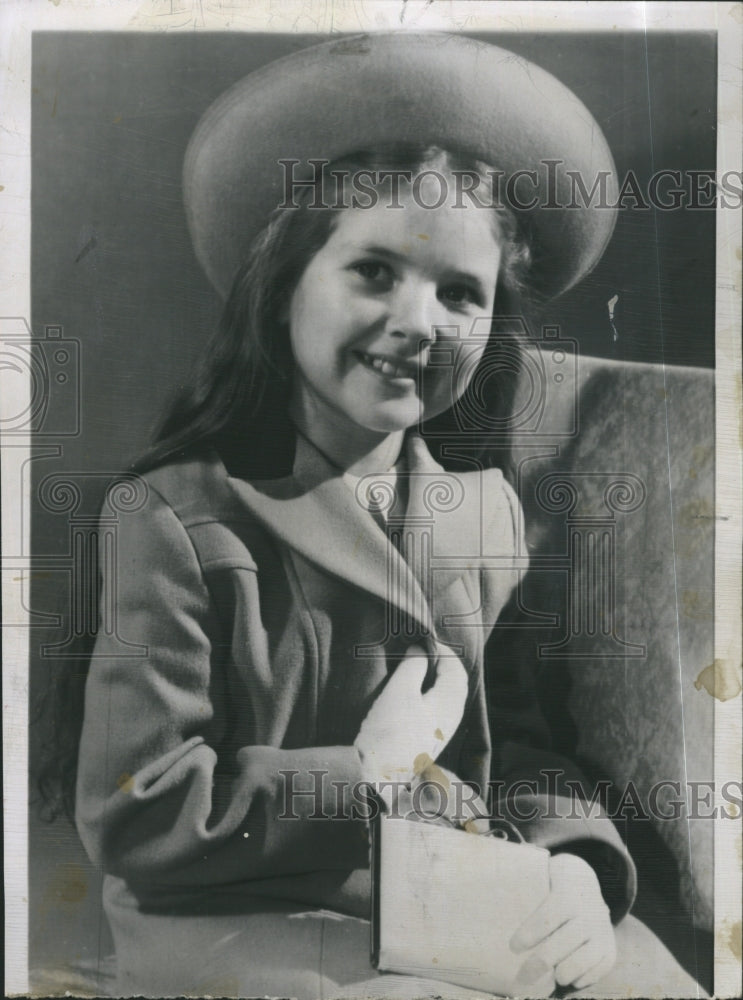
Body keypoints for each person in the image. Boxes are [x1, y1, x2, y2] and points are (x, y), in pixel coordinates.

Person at [68, 33, 703, 999]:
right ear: (284, 285)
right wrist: (364, 774)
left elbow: (514, 744)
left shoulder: (484, 513)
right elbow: (136, 812)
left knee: (649, 982)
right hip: (238, 912)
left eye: (460, 293)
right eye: (373, 271)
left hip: (443, 893)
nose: (418, 322)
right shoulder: (174, 513)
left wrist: (573, 861)